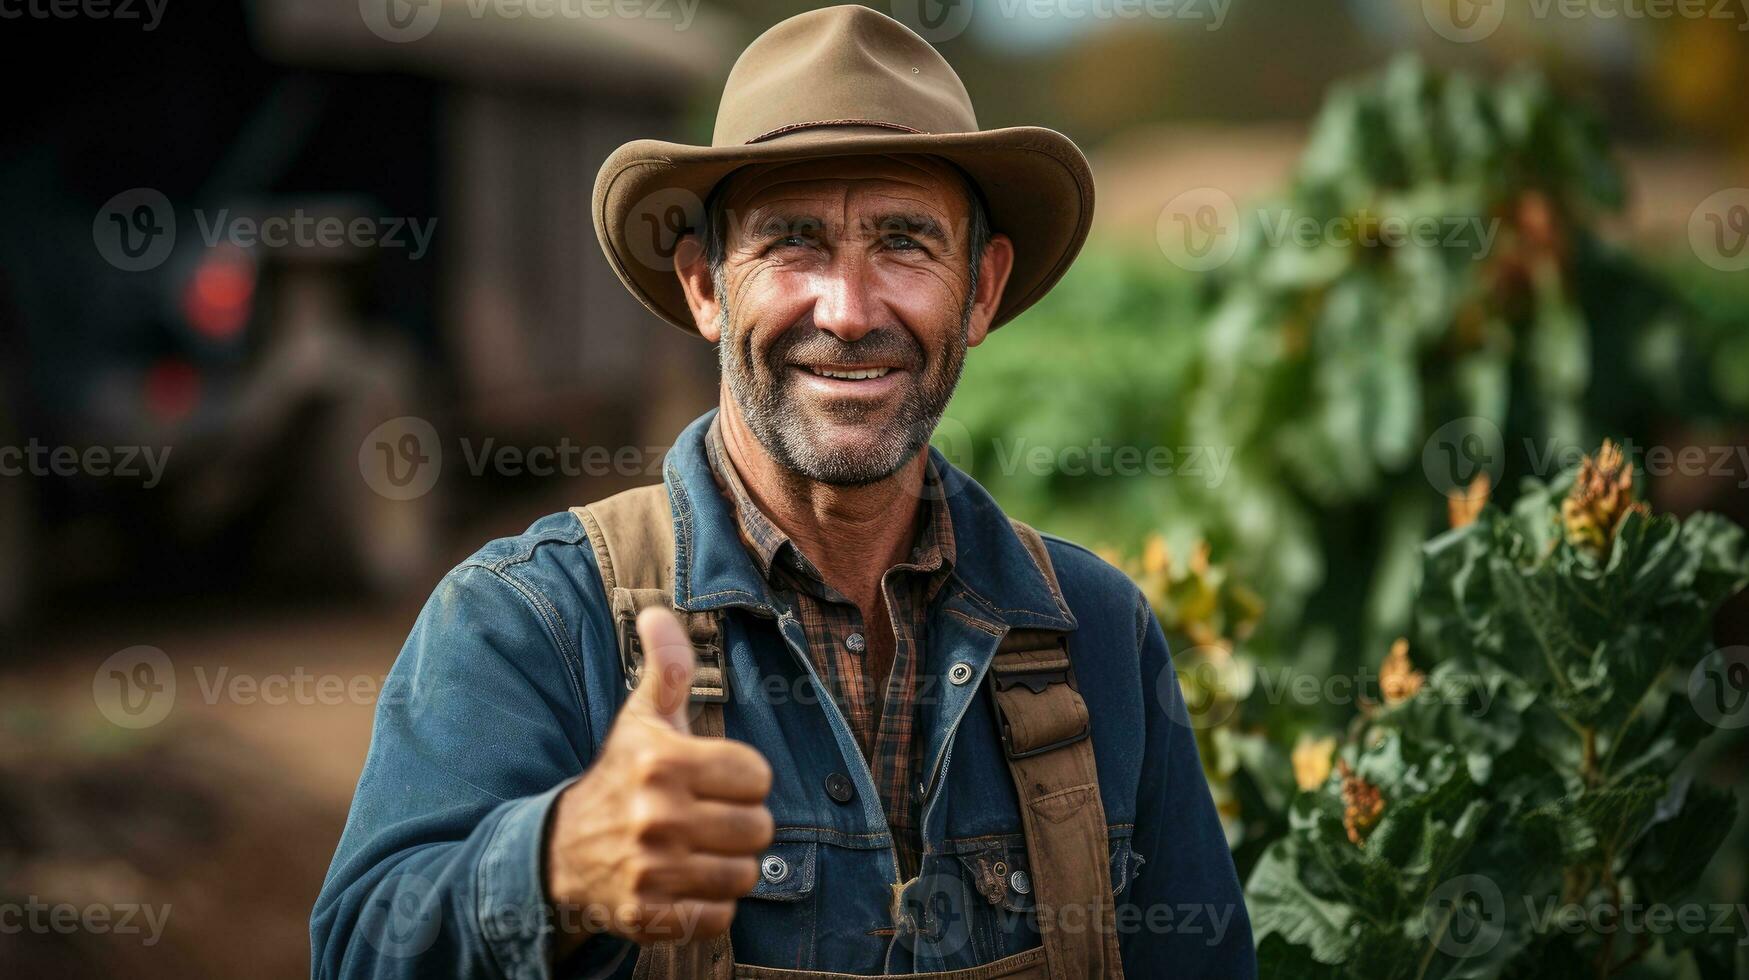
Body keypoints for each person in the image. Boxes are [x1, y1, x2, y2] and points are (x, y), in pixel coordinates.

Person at [312, 7, 1254, 978]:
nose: (847, 312)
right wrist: (555, 867)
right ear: (705, 286)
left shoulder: (1097, 637)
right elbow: (356, 948)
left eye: (904, 243)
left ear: (980, 290)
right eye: (792, 244)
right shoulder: (532, 622)